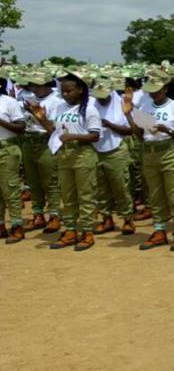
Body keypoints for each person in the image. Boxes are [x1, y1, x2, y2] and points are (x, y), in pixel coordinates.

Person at [27, 72, 102, 251]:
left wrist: (74, 136)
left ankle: (87, 232)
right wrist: (42, 119)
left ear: (80, 90)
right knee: (67, 196)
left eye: (69, 91)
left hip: (82, 154)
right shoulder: (60, 108)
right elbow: (54, 130)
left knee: (85, 196)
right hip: (64, 155)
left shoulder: (89, 109)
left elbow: (95, 135)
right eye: (63, 91)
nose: (66, 94)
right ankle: (69, 231)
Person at [126, 71, 174, 251]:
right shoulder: (145, 107)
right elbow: (140, 135)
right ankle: (159, 230)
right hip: (149, 153)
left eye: (157, 90)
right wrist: (129, 117)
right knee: (155, 195)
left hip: (169, 151)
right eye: (151, 90)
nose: (153, 93)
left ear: (165, 88)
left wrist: (166, 130)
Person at [92, 74, 136, 237]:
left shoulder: (120, 103)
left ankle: (127, 219)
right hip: (96, 150)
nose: (101, 100)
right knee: (101, 188)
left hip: (116, 150)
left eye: (104, 96)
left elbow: (130, 130)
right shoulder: (91, 104)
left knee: (121, 187)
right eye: (99, 97)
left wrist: (110, 125)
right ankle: (107, 219)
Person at [21, 70, 63, 234]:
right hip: (29, 140)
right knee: (33, 180)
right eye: (33, 85)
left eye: (38, 85)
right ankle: (38, 214)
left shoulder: (56, 101)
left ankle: (54, 215)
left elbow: (55, 126)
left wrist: (39, 117)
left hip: (46, 141)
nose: (35, 88)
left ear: (47, 84)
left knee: (50, 180)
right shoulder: (30, 99)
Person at [0, 78, 27, 244]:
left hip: (6, 149)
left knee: (10, 188)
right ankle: (1, 225)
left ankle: (17, 225)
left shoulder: (9, 102)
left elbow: (20, 127)